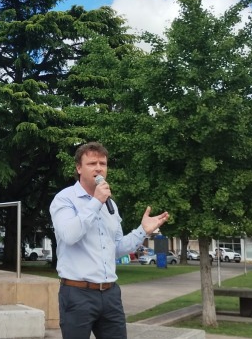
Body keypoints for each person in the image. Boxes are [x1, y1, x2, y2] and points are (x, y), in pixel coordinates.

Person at [49, 142, 170, 338]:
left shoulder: (110, 204)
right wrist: (96, 201)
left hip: (110, 294)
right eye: (92, 163)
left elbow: (117, 249)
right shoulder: (64, 199)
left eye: (103, 163)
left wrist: (143, 231)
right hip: (77, 294)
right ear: (79, 168)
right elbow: (69, 235)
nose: (99, 168)